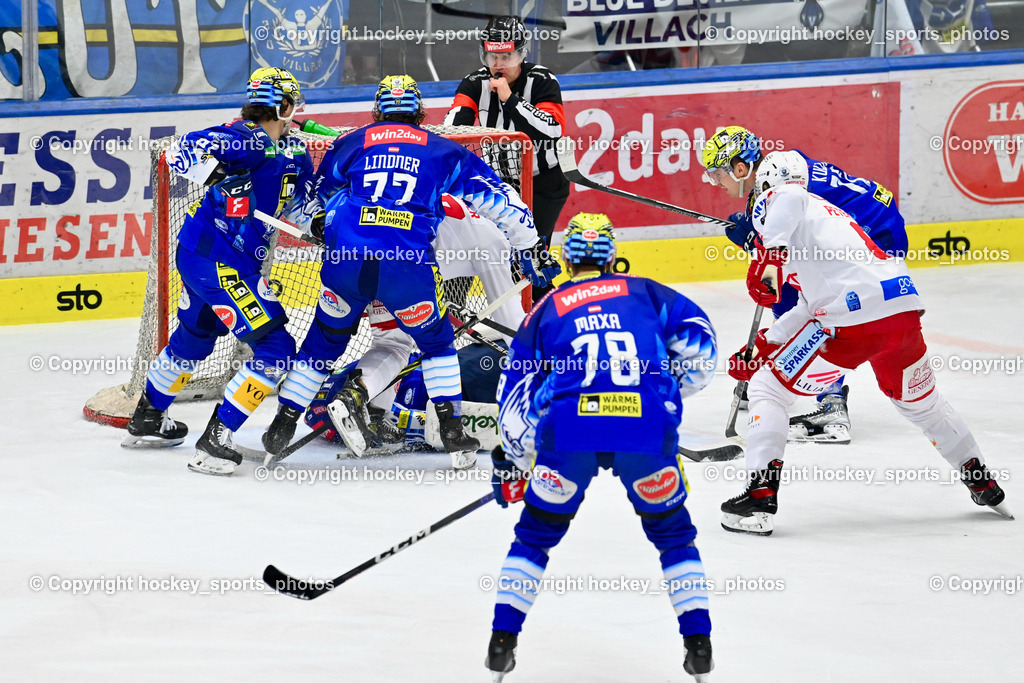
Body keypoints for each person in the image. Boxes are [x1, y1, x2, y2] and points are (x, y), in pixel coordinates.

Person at [265, 74, 560, 470]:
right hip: (416, 258)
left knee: (349, 344)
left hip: (350, 259)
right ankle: (451, 430)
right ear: (421, 114)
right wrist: (531, 248)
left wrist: (321, 224)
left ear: (376, 113)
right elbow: (503, 202)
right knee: (436, 343)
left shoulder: (351, 143)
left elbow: (311, 200)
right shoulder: (442, 150)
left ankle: (283, 425)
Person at [719, 152, 1011, 535]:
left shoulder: (785, 197)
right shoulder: (829, 222)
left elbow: (787, 198)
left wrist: (769, 249)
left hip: (850, 324)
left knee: (767, 389)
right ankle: (982, 481)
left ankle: (759, 497)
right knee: (925, 407)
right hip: (901, 314)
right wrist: (762, 346)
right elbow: (808, 304)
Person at [486, 213, 718, 682]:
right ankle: (698, 645)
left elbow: (513, 399)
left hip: (570, 432)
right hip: (645, 429)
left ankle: (502, 642)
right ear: (613, 257)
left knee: (534, 536)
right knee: (673, 535)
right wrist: (660, 396)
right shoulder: (649, 292)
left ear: (566, 262)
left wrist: (514, 460)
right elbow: (702, 350)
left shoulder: (545, 308)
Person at [121, 67, 317, 477]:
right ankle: (217, 439)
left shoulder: (294, 150)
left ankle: (148, 418)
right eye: (291, 104)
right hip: (217, 261)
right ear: (281, 106)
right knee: (277, 349)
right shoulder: (243, 137)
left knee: (193, 339)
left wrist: (318, 226)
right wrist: (218, 175)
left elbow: (296, 206)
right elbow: (180, 152)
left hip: (208, 257)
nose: (295, 111)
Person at [702, 125, 909, 444]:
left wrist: (754, 243)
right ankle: (776, 373)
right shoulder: (777, 172)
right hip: (880, 221)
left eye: (718, 174)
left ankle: (832, 404)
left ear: (740, 168)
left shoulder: (776, 186)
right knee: (791, 295)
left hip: (876, 231)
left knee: (812, 303)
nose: (716, 183)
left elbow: (783, 258)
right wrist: (757, 240)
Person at [304, 194, 526, 456]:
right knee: (432, 347)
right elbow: (511, 325)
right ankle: (452, 433)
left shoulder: (457, 203)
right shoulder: (496, 241)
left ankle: (367, 408)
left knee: (392, 344)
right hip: (410, 265)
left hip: (369, 251)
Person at [444, 15, 569, 300]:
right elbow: (452, 128)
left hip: (542, 186)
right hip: (497, 188)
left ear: (522, 54)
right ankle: (454, 309)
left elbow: (551, 129)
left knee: (528, 261)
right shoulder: (474, 82)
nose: (498, 63)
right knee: (466, 249)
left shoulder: (542, 80)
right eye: (492, 55)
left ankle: (544, 320)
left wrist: (510, 99)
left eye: (507, 55)